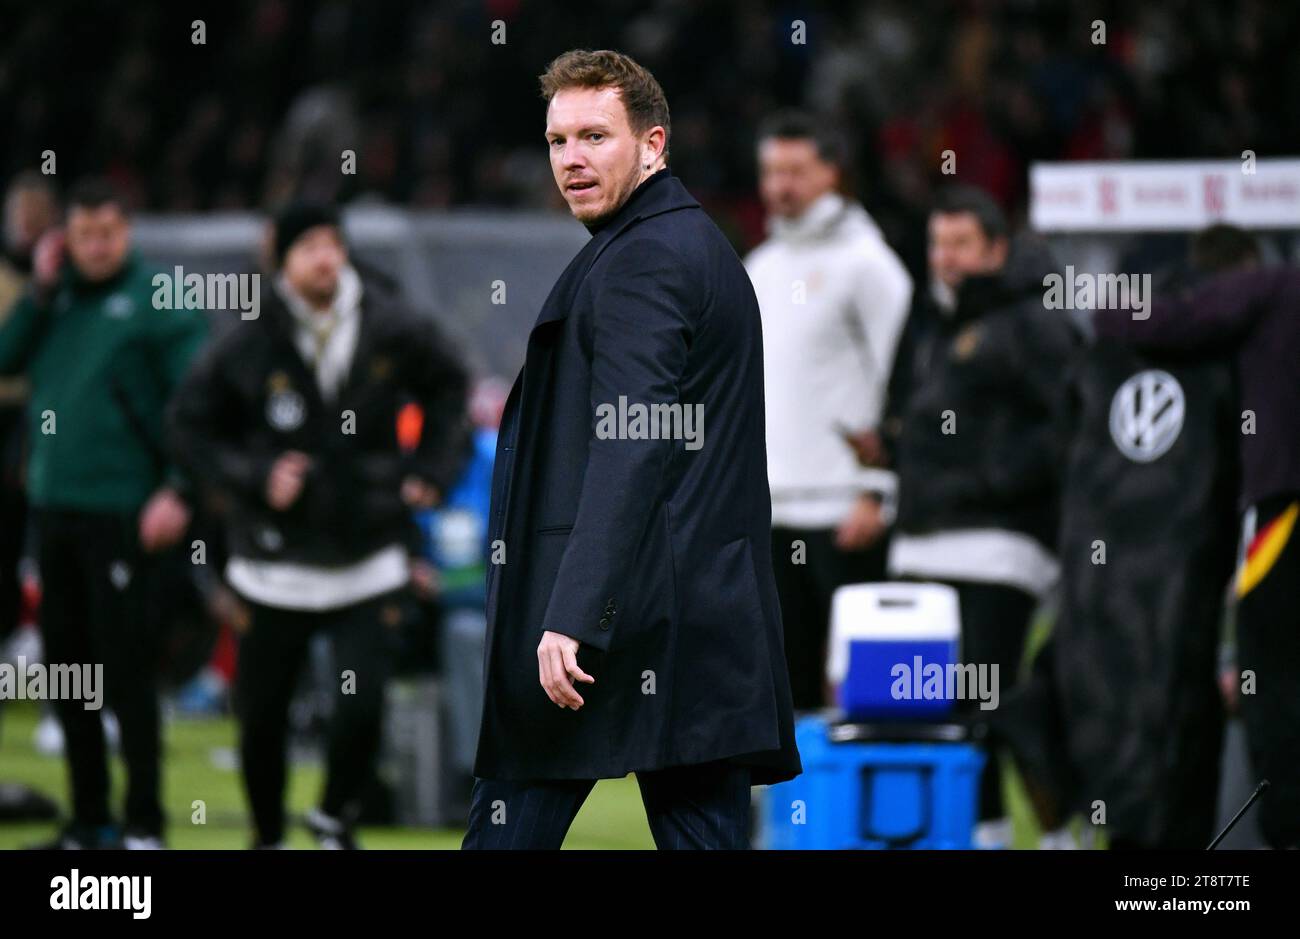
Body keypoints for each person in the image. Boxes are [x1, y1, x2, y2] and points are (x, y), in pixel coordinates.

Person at [463, 49, 801, 851]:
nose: (571, 161)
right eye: (557, 141)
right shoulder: (686, 243)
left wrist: (577, 609)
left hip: (618, 629)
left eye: (594, 137)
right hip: (696, 628)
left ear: (653, 145)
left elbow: (633, 439)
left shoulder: (644, 257)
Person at [167, 202, 470, 849]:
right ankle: (269, 831)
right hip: (274, 563)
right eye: (309, 246)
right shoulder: (250, 336)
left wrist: (432, 470)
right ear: (282, 257)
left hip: (371, 552)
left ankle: (335, 819)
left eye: (333, 242)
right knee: (262, 716)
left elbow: (451, 388)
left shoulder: (391, 322)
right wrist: (255, 474)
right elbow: (191, 424)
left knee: (362, 706)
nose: (326, 257)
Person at [856, 185, 1078, 848]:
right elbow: (915, 412)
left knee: (996, 699)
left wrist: (992, 480)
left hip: (999, 545)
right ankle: (983, 831)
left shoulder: (1036, 320)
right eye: (937, 243)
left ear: (996, 249)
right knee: (943, 707)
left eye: (960, 244)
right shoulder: (928, 319)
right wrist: (890, 449)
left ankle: (1060, 831)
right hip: (922, 541)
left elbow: (1071, 421)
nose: (945, 258)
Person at [0, 176, 207, 849]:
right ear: (66, 237)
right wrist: (37, 291)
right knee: (69, 674)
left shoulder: (160, 302)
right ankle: (90, 821)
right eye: (82, 234)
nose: (95, 247)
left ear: (128, 233)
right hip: (54, 512)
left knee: (126, 675)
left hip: (123, 515)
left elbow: (197, 403)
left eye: (107, 233)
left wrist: (178, 489)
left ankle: (143, 822)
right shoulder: (54, 300)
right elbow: (6, 358)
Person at [1092, 225, 1300, 849]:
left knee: (1277, 675)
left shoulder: (1271, 290)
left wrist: (1113, 301)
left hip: (1286, 512)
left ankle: (1288, 832)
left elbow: (1151, 323)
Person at [744, 110, 912, 711]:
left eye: (795, 170)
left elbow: (908, 381)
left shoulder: (869, 263)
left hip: (845, 512)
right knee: (779, 683)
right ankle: (796, 806)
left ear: (831, 174)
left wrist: (878, 487)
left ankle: (865, 804)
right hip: (772, 511)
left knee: (859, 686)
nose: (780, 185)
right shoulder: (759, 266)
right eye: (771, 171)